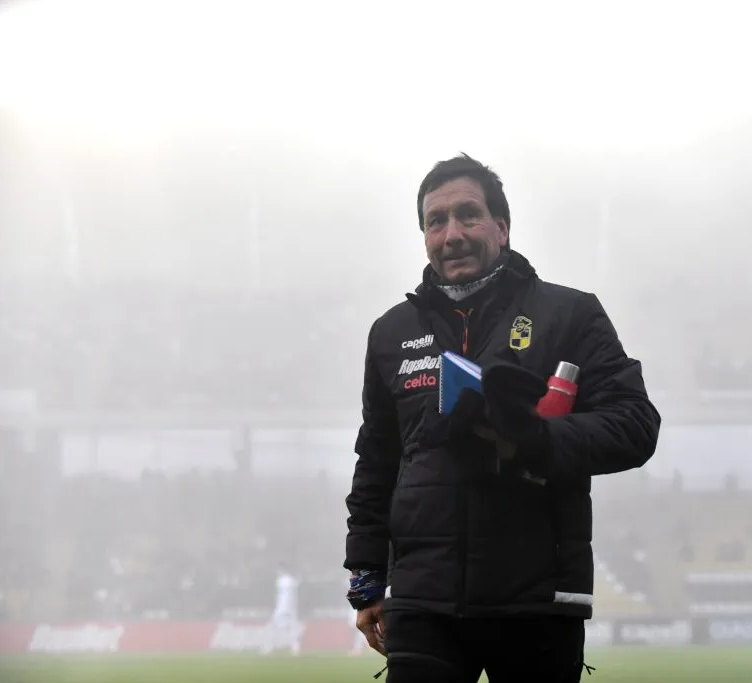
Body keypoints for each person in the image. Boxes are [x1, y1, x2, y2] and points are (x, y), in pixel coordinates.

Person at [344, 154, 660, 683]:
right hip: (424, 602)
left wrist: (536, 440)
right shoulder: (391, 332)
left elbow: (636, 425)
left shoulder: (571, 314)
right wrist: (366, 576)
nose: (452, 234)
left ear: (502, 227)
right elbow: (377, 460)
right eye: (436, 221)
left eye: (468, 215)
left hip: (538, 600)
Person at [261, 564, 302, 656]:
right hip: (290, 608)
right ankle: (295, 647)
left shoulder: (282, 581)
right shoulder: (291, 580)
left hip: (282, 608)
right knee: (290, 628)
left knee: (274, 627)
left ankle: (268, 647)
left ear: (282, 570)